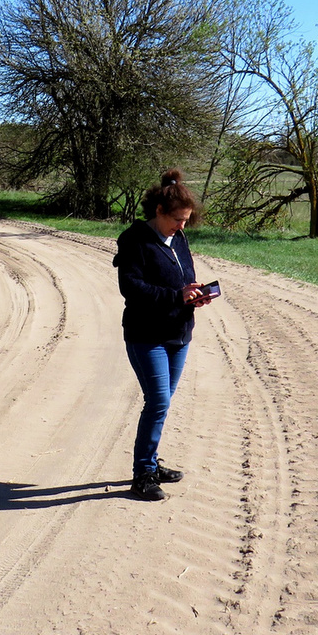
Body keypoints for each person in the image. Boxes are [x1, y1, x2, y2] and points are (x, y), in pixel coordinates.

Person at [112, 168, 214, 501]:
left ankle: (152, 464)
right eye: (177, 220)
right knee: (157, 402)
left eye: (186, 220)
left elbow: (185, 276)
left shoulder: (180, 239)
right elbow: (132, 287)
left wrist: (194, 294)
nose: (182, 226)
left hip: (178, 333)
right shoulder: (134, 240)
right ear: (159, 211)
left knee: (163, 404)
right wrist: (175, 296)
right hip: (146, 335)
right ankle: (141, 475)